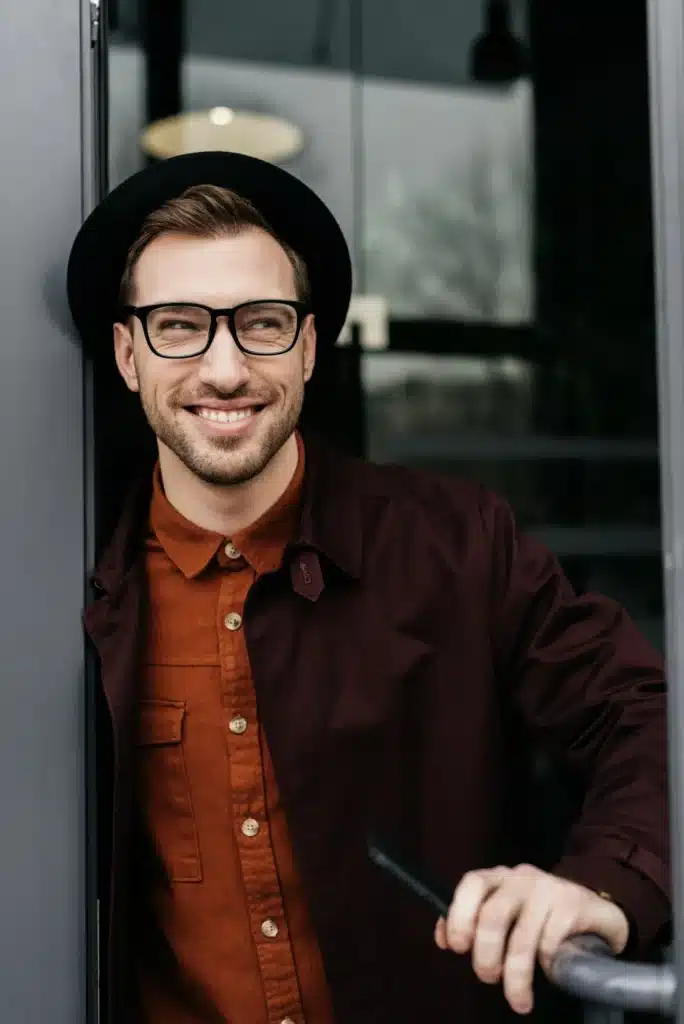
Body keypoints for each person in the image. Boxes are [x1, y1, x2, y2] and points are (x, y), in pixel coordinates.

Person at [67, 151, 670, 1024]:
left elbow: (646, 718)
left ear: (309, 349)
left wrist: (603, 887)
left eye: (263, 324)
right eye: (180, 324)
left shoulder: (458, 546)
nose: (226, 368)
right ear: (128, 354)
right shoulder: (74, 596)